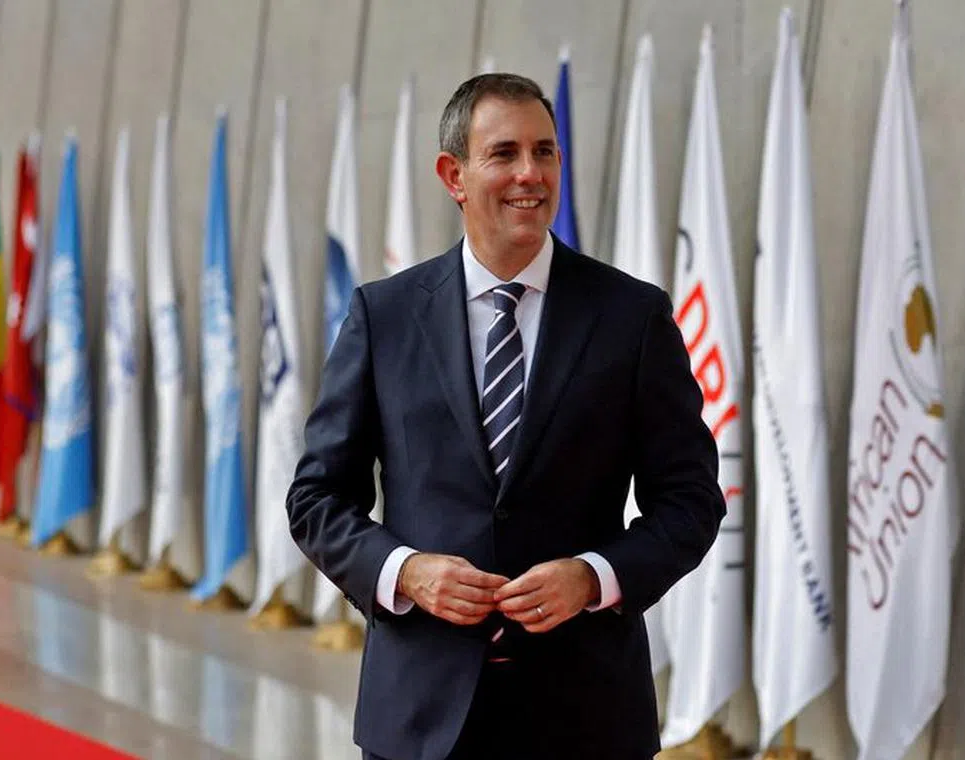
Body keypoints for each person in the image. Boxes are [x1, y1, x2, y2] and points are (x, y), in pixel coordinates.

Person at [287, 72, 724, 760]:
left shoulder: (632, 316)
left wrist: (594, 576)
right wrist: (405, 571)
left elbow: (691, 500)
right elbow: (316, 499)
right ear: (453, 175)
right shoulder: (385, 316)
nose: (530, 173)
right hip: (420, 720)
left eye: (545, 152)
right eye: (504, 153)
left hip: (587, 717)